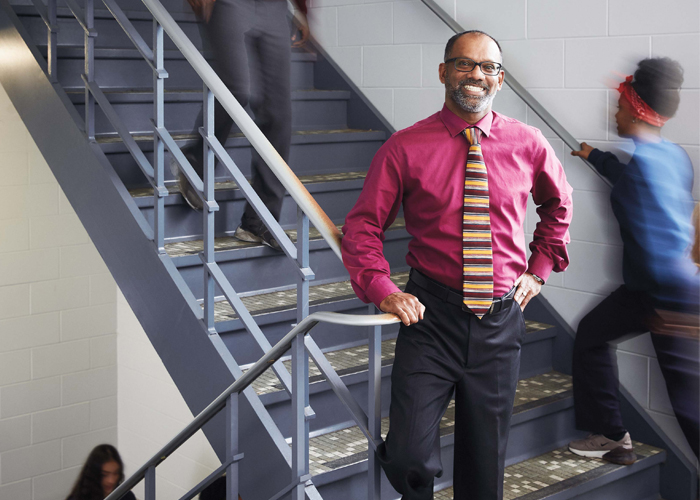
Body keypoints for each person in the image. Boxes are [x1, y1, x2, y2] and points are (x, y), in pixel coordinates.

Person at [341, 30, 573, 500]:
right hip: (431, 319)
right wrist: (384, 288)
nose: (476, 75)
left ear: (500, 80)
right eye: (465, 64)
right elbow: (363, 227)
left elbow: (559, 206)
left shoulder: (528, 142)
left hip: (500, 322)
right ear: (444, 72)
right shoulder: (405, 147)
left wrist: (540, 267)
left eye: (487, 67)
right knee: (406, 453)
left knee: (484, 468)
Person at [568, 58, 700, 465]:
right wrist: (594, 156)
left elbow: (660, 239)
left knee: (691, 412)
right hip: (653, 289)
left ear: (637, 109)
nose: (615, 112)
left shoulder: (645, 169)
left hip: (670, 299)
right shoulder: (671, 157)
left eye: (620, 106)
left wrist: (676, 309)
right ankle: (611, 435)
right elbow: (626, 175)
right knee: (590, 335)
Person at [177, 0, 310, 250]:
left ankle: (258, 220)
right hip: (229, 4)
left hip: (275, 8)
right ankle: (194, 164)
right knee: (235, 91)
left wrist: (302, 9)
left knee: (278, 114)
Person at [66, 444, 136, 500]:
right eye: (104, 475)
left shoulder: (126, 495)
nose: (111, 480)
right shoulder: (79, 497)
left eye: (115, 473)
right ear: (93, 474)